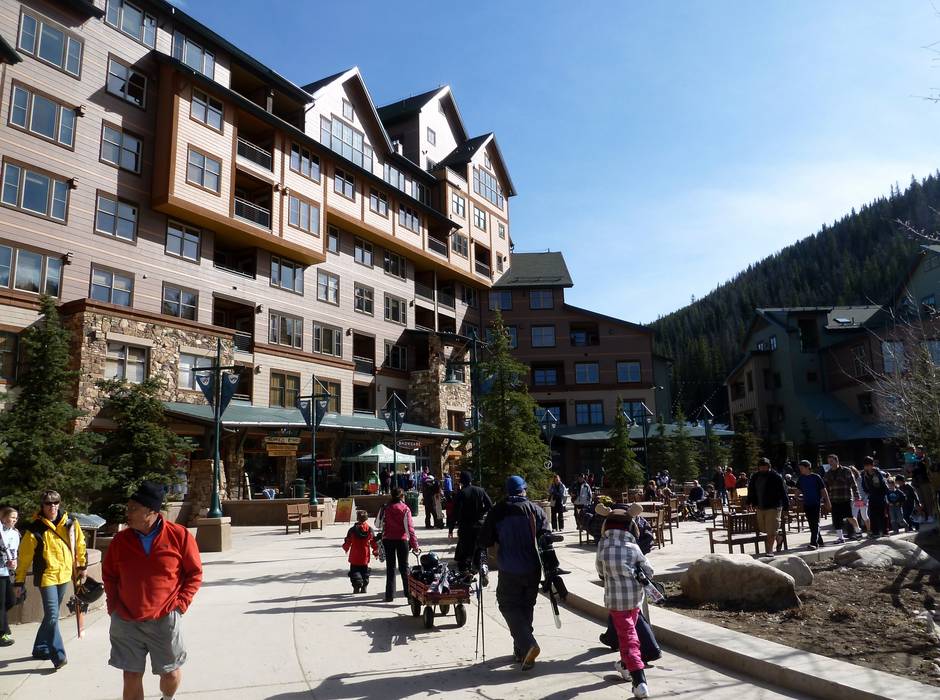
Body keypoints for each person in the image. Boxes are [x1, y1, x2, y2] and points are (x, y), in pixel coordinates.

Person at [102, 482, 202, 700]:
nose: (128, 513)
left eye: (133, 508)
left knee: (170, 673)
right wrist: (114, 607)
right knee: (130, 675)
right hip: (126, 620)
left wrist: (180, 605)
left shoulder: (179, 536)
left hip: (164, 618)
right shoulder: (120, 541)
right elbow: (109, 576)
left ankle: (167, 698)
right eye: (128, 508)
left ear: (151, 511)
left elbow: (194, 574)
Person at [477, 475, 550, 671]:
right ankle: (521, 651)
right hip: (533, 567)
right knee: (526, 606)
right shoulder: (536, 509)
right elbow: (546, 536)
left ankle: (527, 644)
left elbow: (484, 540)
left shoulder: (498, 510)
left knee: (508, 605)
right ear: (523, 490)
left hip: (509, 568)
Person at [14, 490, 86, 670]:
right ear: (42, 506)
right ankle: (58, 655)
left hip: (65, 575)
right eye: (48, 503)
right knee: (53, 615)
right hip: (47, 577)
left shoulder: (70, 523)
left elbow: (80, 544)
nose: (52, 506)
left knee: (50, 616)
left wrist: (82, 566)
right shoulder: (35, 529)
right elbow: (24, 558)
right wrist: (19, 581)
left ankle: (40, 647)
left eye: (56, 502)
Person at [595, 506, 654, 698]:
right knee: (628, 634)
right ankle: (625, 666)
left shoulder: (603, 546)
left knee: (628, 638)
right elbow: (649, 571)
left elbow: (600, 571)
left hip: (615, 600)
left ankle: (639, 681)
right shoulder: (633, 546)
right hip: (635, 598)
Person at [449, 471, 493, 573]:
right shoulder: (480, 490)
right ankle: (480, 567)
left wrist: (451, 529)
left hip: (465, 527)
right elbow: (490, 505)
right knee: (479, 548)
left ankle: (466, 573)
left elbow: (454, 513)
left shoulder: (461, 494)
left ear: (461, 481)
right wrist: (481, 512)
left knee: (465, 552)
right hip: (479, 525)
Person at [381, 488, 419, 602]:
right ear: (402, 496)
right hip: (402, 540)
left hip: (388, 539)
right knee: (404, 568)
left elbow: (378, 523)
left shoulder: (386, 507)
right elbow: (410, 528)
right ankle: (409, 595)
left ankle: (389, 595)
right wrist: (414, 544)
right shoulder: (405, 508)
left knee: (390, 568)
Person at [746, 458, 789, 557]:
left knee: (771, 530)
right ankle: (779, 538)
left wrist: (786, 507)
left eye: (765, 467)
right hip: (760, 506)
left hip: (774, 506)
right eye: (761, 467)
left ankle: (769, 551)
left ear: (769, 466)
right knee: (764, 529)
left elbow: (783, 492)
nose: (763, 469)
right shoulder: (755, 476)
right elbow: (751, 490)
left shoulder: (776, 477)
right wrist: (749, 502)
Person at [823, 454, 860, 544]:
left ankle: (858, 531)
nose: (830, 463)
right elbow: (825, 487)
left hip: (845, 497)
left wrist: (857, 496)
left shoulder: (846, 471)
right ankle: (840, 537)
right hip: (834, 499)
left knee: (849, 517)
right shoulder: (828, 474)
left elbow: (853, 484)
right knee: (836, 519)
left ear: (837, 461)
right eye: (829, 462)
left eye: (832, 461)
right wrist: (825, 499)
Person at [796, 460, 829, 549]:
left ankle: (814, 543)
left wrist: (827, 501)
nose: (800, 470)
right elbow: (798, 489)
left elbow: (823, 490)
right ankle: (820, 541)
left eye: (802, 468)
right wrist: (795, 498)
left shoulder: (816, 477)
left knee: (815, 523)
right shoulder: (801, 478)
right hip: (807, 504)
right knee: (812, 524)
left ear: (807, 467)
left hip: (816, 503)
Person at [343, 510, 379, 593]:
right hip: (365, 555)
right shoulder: (369, 530)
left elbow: (348, 541)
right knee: (365, 572)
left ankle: (356, 586)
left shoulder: (352, 530)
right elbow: (374, 542)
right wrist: (375, 552)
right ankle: (364, 586)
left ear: (357, 518)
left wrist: (346, 548)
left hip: (354, 555)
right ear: (366, 518)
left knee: (354, 571)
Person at [0, 507, 20, 646]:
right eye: (11, 517)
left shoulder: (14, 534)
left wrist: (14, 562)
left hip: (6, 572)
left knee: (11, 601)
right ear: (3, 517)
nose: (14, 520)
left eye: (15, 518)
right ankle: (3, 634)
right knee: (1, 604)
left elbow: (14, 553)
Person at [860, 456, 890, 537]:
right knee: (873, 515)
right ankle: (875, 532)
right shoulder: (863, 474)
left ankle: (885, 531)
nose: (867, 467)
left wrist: (885, 495)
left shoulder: (878, 472)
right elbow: (863, 485)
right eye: (865, 465)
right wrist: (867, 492)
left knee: (882, 514)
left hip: (880, 496)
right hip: (871, 496)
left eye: (868, 465)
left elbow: (883, 484)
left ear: (872, 465)